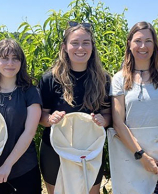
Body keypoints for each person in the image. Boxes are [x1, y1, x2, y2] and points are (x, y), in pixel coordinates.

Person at [38, 21, 111, 194]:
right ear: (64, 47)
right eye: (75, 43)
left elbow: (108, 115)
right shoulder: (50, 79)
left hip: (90, 150)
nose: (80, 48)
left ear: (92, 47)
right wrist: (49, 119)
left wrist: (104, 120)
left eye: (86, 43)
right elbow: (41, 116)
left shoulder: (104, 79)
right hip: (55, 150)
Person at [110, 21, 158, 183]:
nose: (143, 46)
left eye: (148, 41)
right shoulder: (119, 79)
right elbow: (118, 123)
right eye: (138, 41)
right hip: (132, 155)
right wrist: (141, 156)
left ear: (155, 45)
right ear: (129, 44)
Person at [0, 39, 42, 194]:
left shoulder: (30, 92)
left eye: (15, 58)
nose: (10, 63)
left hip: (24, 169)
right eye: (5, 58)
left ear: (21, 62)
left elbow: (29, 132)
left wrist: (7, 165)